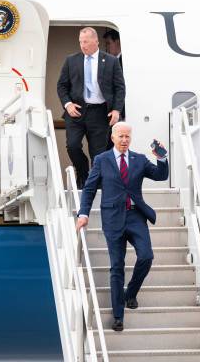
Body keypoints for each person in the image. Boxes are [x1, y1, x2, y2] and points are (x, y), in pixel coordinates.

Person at [76, 122, 169, 331]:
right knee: (117, 266)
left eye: (128, 136)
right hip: (112, 218)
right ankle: (118, 316)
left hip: (136, 216)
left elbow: (160, 175)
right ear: (113, 137)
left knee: (146, 256)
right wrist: (83, 214)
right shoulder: (101, 160)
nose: (125, 140)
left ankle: (131, 293)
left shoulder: (139, 159)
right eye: (121, 136)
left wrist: (161, 158)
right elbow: (89, 189)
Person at [57, 27, 125, 187]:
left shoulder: (111, 61)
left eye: (86, 41)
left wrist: (116, 110)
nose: (82, 45)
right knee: (72, 146)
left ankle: (95, 185)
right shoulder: (71, 60)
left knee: (98, 154)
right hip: (76, 112)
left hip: (100, 113)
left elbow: (120, 87)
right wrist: (67, 104)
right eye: (80, 42)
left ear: (96, 41)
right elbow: (61, 86)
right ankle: (82, 172)